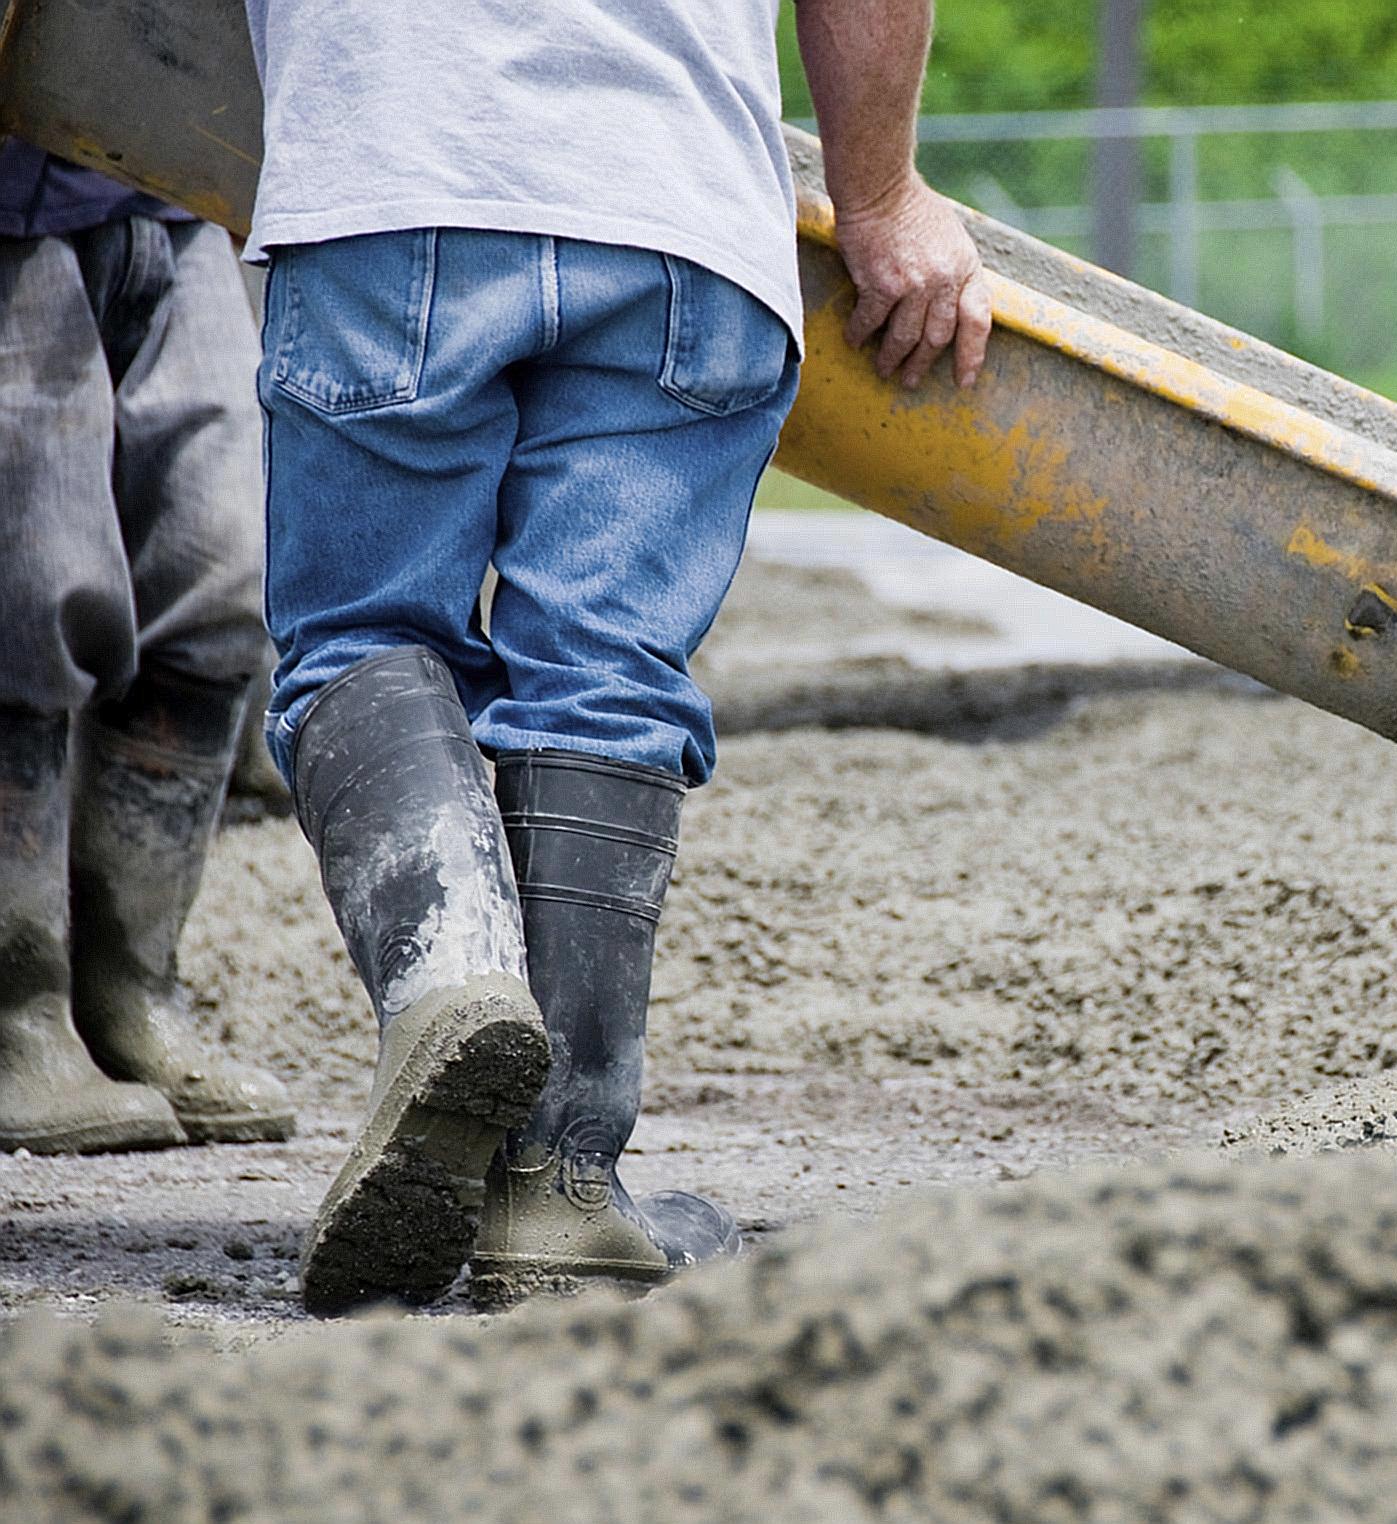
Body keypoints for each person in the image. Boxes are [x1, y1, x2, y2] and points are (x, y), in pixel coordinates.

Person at [242, 0, 992, 1313]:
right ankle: (560, 1184)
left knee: (363, 633)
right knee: (602, 673)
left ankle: (452, 981)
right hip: (677, 207)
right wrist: (881, 201)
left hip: (394, 172)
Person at [0, 140, 296, 1155]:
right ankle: (18, 1011)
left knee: (224, 571)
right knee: (28, 584)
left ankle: (131, 993)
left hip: (168, 181)